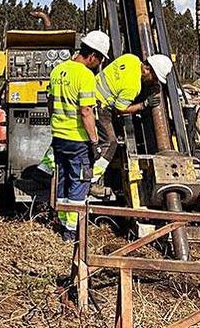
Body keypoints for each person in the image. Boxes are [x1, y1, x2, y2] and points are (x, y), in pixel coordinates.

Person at [48, 31, 111, 242]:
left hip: (59, 137)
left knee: (62, 181)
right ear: (92, 55)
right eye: (100, 59)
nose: (98, 63)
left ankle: (61, 222)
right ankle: (72, 233)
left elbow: (50, 103)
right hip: (78, 140)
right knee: (79, 182)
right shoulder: (85, 76)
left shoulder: (58, 70)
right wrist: (95, 142)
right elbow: (86, 111)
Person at [92, 53, 174, 185]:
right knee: (110, 143)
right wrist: (143, 104)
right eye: (154, 77)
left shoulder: (131, 58)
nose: (153, 81)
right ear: (147, 69)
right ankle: (92, 180)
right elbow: (120, 109)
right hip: (98, 106)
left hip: (90, 93)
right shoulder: (133, 86)